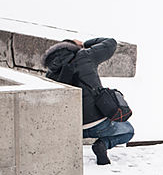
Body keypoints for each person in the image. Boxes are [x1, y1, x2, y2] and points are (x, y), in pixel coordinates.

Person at [43, 37, 134, 166]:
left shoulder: (50, 73)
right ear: (74, 48)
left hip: (72, 128)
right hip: (97, 123)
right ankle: (103, 144)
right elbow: (110, 43)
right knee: (128, 130)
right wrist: (84, 44)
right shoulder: (84, 56)